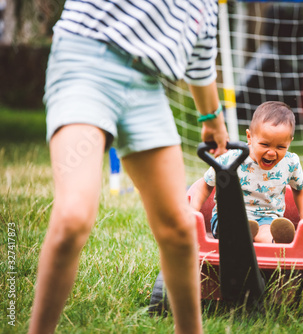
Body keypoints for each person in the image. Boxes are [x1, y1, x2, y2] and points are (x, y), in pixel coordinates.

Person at [28, 1, 228, 333]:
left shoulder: (207, 8)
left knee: (179, 228)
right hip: (86, 62)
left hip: (145, 87)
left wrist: (211, 119)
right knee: (73, 217)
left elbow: (200, 65)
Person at [190, 101, 303, 244]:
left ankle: (274, 241)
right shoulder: (232, 159)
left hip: (267, 219)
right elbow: (205, 185)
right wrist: (192, 212)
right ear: (249, 137)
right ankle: (244, 232)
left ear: (289, 142)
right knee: (231, 226)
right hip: (229, 216)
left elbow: (300, 190)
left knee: (266, 231)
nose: (271, 152)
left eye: (280, 147)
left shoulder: (290, 163)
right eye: (264, 144)